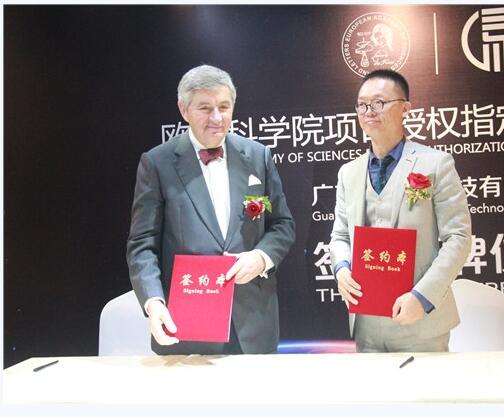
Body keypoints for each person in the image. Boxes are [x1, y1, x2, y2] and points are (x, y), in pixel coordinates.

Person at [126, 64, 296, 355]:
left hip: (253, 323)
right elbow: (142, 244)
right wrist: (153, 302)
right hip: (187, 324)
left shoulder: (257, 156)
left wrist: (261, 257)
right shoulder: (158, 163)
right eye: (205, 108)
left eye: (224, 107)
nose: (217, 118)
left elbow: (282, 224)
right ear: (184, 110)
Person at [329, 69, 472, 352]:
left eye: (379, 102)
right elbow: (340, 236)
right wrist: (341, 268)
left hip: (421, 322)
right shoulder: (349, 172)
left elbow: (458, 238)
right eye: (362, 105)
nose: (369, 111)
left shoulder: (436, 164)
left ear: (405, 108)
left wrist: (423, 296)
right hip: (366, 323)